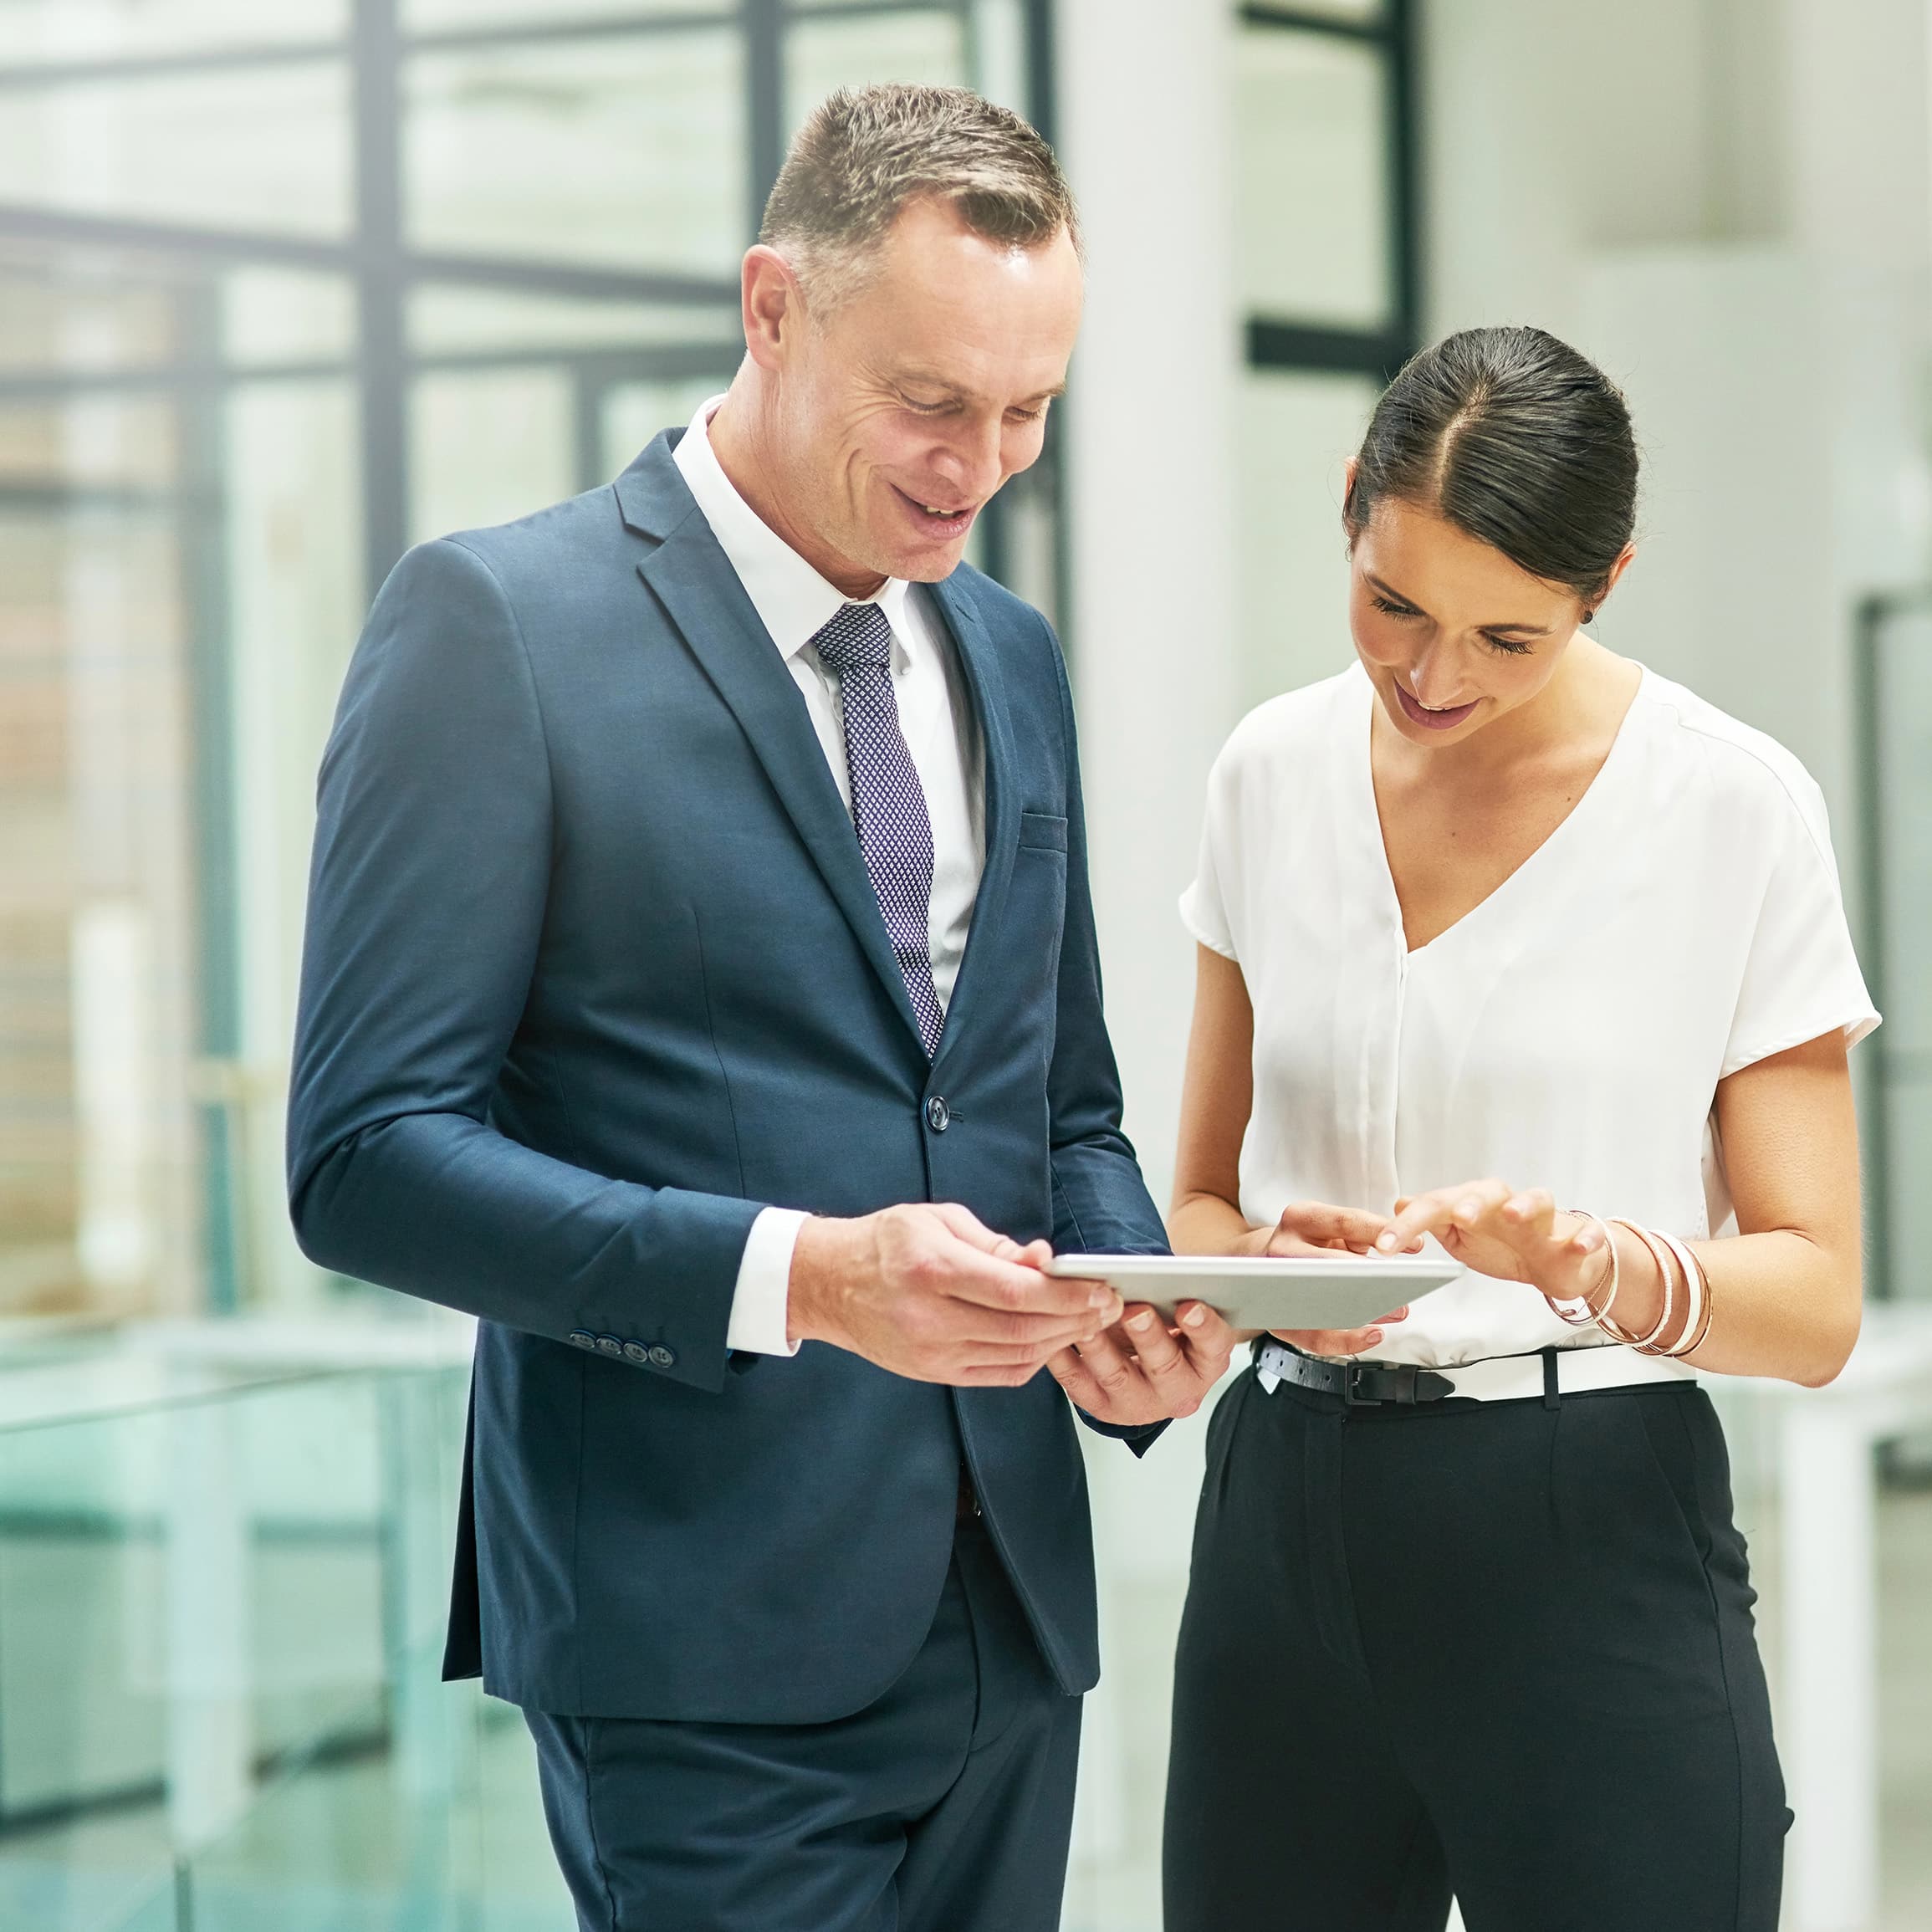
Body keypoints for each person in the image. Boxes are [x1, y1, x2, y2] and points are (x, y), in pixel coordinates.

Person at [287, 84, 1233, 1932]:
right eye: (932, 401)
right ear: (773, 307)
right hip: (692, 1646)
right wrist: (805, 1277)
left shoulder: (1008, 651)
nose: (981, 466)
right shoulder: (497, 627)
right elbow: (365, 1160)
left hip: (1013, 1633)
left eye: (1029, 411)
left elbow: (1059, 1108)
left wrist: (1132, 1300)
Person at [1160, 325, 1878, 1932]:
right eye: (1392, 603)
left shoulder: (1730, 806)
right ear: (1349, 505)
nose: (1434, 676)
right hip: (1280, 1514)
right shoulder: (1269, 774)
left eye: (1508, 635)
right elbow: (1197, 1198)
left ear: (1603, 583)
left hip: (1583, 1519)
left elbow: (1816, 1300)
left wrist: (1584, 1255)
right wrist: (1267, 1269)